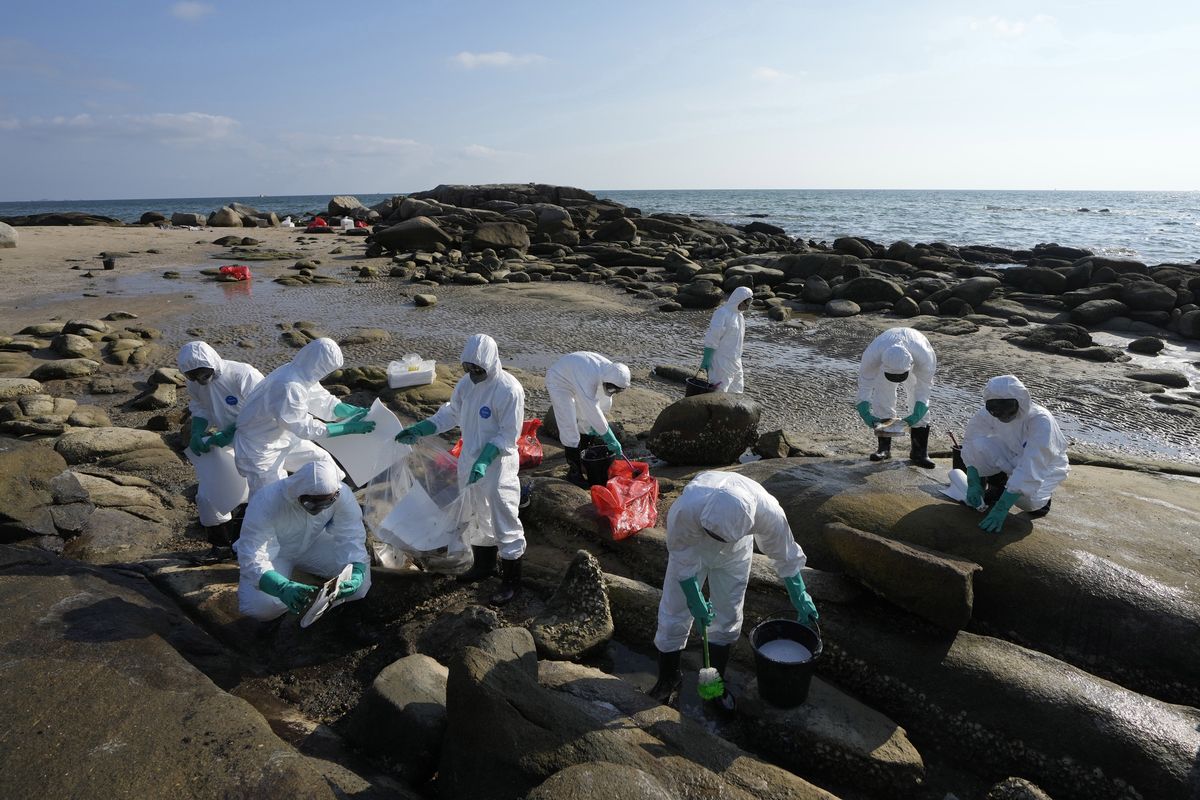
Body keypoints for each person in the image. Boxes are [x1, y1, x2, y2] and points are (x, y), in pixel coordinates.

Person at [649, 471, 817, 712]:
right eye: (714, 535)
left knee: (727, 612)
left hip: (735, 553)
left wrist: (800, 595)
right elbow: (680, 550)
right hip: (693, 546)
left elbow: (785, 554)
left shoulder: (767, 511)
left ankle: (714, 683)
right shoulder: (687, 507)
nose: (717, 540)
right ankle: (669, 679)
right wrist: (693, 595)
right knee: (674, 610)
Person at [395, 334, 527, 605]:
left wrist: (485, 459)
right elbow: (451, 413)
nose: (473, 374)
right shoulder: (467, 384)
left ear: (491, 363)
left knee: (504, 518)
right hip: (469, 461)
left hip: (497, 466)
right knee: (476, 513)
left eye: (478, 369)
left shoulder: (508, 390)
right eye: (468, 368)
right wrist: (422, 428)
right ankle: (484, 566)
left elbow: (508, 436)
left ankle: (512, 581)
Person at [234, 338, 374, 496]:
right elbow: (303, 427)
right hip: (260, 447)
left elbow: (320, 399)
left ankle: (321, 501)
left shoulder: (301, 373)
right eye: (325, 369)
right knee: (270, 496)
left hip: (282, 436)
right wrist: (346, 428)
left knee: (322, 462)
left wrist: (347, 410)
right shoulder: (288, 385)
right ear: (316, 365)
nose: (325, 374)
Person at [236, 460, 371, 621]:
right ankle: (287, 581)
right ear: (298, 492)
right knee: (262, 607)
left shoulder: (343, 494)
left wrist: (356, 570)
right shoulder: (267, 500)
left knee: (359, 586)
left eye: (327, 503)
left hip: (313, 544)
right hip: (277, 554)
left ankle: (314, 592)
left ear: (336, 494)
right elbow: (252, 555)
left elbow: (352, 535)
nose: (319, 509)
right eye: (311, 503)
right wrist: (281, 587)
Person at [178, 341, 264, 549]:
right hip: (228, 441)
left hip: (260, 439)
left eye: (202, 372)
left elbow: (264, 407)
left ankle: (246, 545)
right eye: (193, 375)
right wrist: (197, 431)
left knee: (257, 492)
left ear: (213, 363)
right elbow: (201, 407)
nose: (199, 378)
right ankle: (220, 546)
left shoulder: (242, 374)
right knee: (208, 496)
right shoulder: (195, 384)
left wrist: (232, 431)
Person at [961, 375, 1069, 534]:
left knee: (1028, 502)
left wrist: (1002, 508)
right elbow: (971, 440)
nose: (1003, 414)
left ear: (1021, 400)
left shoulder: (1040, 420)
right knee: (979, 446)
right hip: (1012, 454)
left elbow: (1032, 464)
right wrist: (973, 481)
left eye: (1008, 408)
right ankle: (999, 486)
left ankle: (1042, 499)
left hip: (1045, 465)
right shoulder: (988, 413)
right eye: (996, 410)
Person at [544, 351, 631, 486]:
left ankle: (584, 460)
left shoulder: (611, 372)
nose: (612, 391)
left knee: (587, 421)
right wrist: (608, 436)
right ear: (607, 380)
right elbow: (591, 408)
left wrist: (593, 426)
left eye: (616, 390)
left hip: (576, 377)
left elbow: (600, 405)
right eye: (610, 388)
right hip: (559, 381)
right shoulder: (589, 377)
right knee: (568, 424)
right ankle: (574, 473)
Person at [855, 327, 937, 468]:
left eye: (899, 376)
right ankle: (884, 450)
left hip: (915, 358)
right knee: (882, 398)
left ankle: (919, 452)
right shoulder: (872, 355)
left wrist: (918, 412)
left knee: (915, 397)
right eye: (894, 376)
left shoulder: (925, 356)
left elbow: (924, 389)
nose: (897, 380)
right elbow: (865, 384)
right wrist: (865, 411)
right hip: (884, 361)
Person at [700, 285, 752, 393]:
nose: (749, 305)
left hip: (736, 361)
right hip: (721, 362)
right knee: (719, 392)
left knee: (736, 392)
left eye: (750, 301)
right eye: (747, 301)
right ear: (740, 300)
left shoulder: (739, 316)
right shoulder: (722, 313)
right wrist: (707, 358)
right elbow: (712, 336)